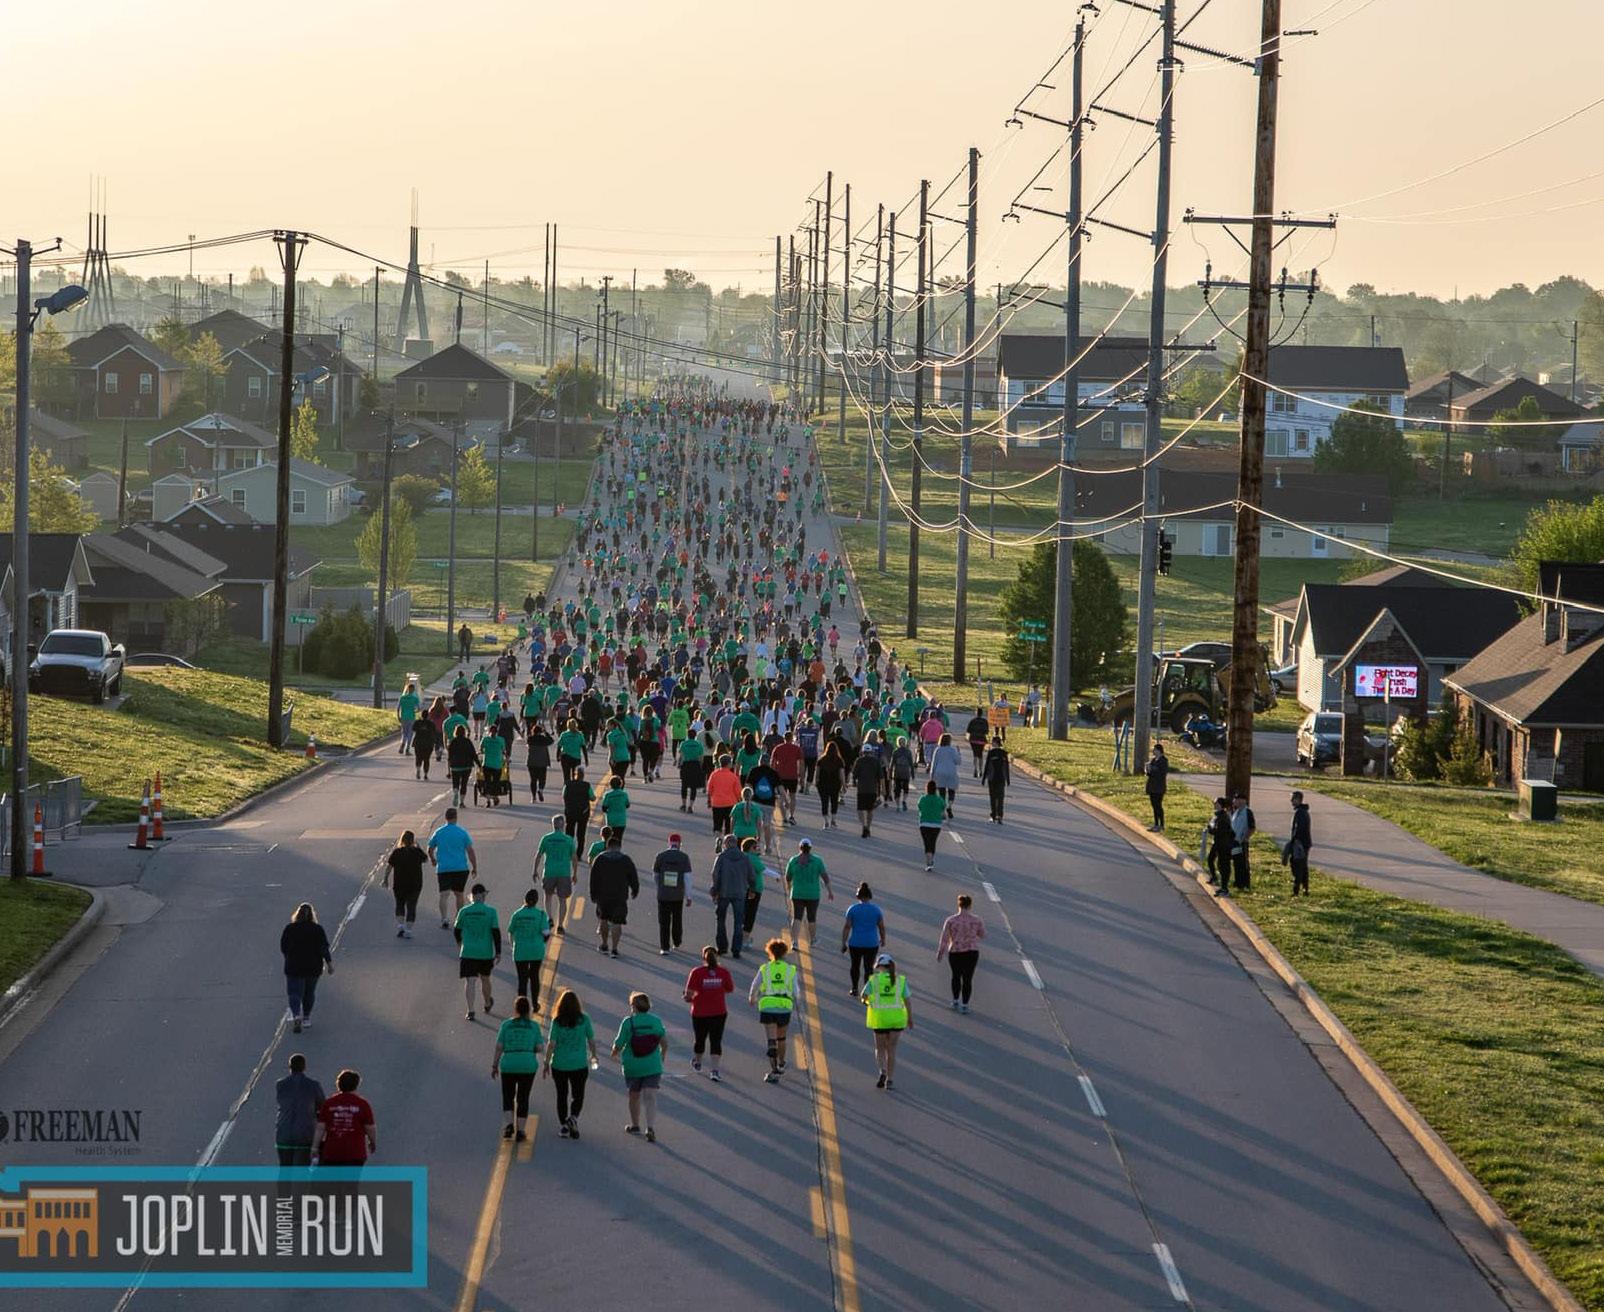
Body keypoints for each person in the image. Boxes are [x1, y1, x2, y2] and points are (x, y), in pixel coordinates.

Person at [612, 992, 668, 1142]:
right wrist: (662, 1056)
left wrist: (614, 1053)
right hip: (652, 1065)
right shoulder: (655, 1021)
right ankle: (650, 1127)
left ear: (634, 1006)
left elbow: (619, 1043)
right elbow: (664, 1042)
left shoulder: (628, 1022)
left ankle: (635, 1125)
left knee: (634, 1096)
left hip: (633, 1065)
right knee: (650, 1097)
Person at [544, 988, 597, 1140]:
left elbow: (551, 1044)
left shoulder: (557, 1021)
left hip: (559, 1064)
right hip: (579, 1064)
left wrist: (546, 1062)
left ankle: (564, 1124)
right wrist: (593, 1056)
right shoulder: (584, 1019)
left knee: (562, 1095)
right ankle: (573, 1118)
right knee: (578, 1095)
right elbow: (591, 1040)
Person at [492, 996, 543, 1142]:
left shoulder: (506, 1025)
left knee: (508, 1096)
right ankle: (521, 1130)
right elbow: (539, 1047)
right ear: (528, 1010)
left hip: (509, 1064)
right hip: (527, 1065)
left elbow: (499, 1047)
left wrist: (494, 1065)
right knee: (523, 1097)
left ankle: (509, 1125)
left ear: (515, 1009)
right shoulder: (534, 1026)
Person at [748, 938, 797, 1084]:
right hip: (784, 1006)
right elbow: (796, 990)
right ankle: (781, 1063)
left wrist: (752, 998)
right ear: (784, 953)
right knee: (781, 1037)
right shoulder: (790, 969)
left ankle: (774, 1070)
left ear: (770, 952)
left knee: (771, 1039)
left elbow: (755, 985)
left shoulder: (765, 968)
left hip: (768, 1006)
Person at [861, 953, 912, 1090]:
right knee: (891, 1050)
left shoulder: (874, 981)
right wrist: (910, 1018)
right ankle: (889, 1079)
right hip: (896, 1020)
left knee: (880, 1048)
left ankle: (882, 1071)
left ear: (879, 967)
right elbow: (907, 1001)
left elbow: (863, 996)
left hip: (880, 1020)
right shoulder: (900, 981)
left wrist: (868, 1002)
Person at [280, 902, 333, 1035]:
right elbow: (323, 948)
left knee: (294, 992)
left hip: (294, 966)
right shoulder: (317, 929)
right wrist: (329, 964)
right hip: (313, 967)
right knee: (309, 992)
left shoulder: (290, 929)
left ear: (297, 914)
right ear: (312, 915)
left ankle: (296, 1015)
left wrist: (289, 957)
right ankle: (306, 1018)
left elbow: (283, 947)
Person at [684, 946, 734, 1080]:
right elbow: (730, 988)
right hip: (719, 1011)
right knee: (716, 1040)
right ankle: (714, 1070)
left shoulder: (697, 972)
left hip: (700, 1012)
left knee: (700, 1038)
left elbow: (689, 993)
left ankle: (698, 1061)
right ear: (717, 956)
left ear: (703, 957)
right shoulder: (723, 972)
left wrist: (689, 998)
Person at [588, 829, 639, 958]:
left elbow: (593, 878)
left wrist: (593, 894)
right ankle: (615, 949)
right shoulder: (625, 860)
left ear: (607, 846)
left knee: (604, 919)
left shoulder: (600, 859)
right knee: (617, 922)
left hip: (603, 896)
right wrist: (635, 889)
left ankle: (604, 944)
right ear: (619, 847)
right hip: (620, 896)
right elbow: (633, 876)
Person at [454, 883, 501, 1021]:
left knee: (470, 981)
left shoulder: (464, 911)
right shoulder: (491, 911)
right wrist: (498, 951)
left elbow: (457, 930)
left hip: (468, 951)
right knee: (485, 978)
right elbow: (495, 932)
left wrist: (460, 943)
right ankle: (487, 1002)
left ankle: (470, 1010)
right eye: (484, 894)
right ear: (481, 895)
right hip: (485, 952)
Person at [313, 1068, 375, 1168]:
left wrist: (315, 1147)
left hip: (332, 1153)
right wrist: (372, 1142)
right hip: (355, 1154)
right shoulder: (362, 1104)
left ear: (339, 1084)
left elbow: (320, 1128)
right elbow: (370, 1128)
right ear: (356, 1085)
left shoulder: (329, 1104)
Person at [709, 833, 758, 958]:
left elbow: (715, 875)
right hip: (740, 893)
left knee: (721, 920)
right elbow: (752, 875)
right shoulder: (744, 858)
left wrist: (714, 891)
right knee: (738, 922)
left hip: (724, 892)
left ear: (726, 844)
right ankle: (736, 949)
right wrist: (752, 889)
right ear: (736, 844)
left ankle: (722, 947)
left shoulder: (721, 857)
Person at [427, 807, 477, 929]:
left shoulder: (439, 832)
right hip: (460, 867)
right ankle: (459, 919)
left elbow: (430, 848)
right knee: (459, 894)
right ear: (456, 817)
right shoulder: (462, 832)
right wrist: (474, 866)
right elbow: (470, 851)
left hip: (444, 868)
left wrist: (433, 859)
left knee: (444, 894)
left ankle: (444, 918)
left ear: (446, 817)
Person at [936, 893, 986, 1013]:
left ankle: (955, 1001)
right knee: (968, 978)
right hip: (971, 952)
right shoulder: (976, 920)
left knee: (956, 976)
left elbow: (944, 938)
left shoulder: (951, 920)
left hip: (955, 952)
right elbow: (982, 934)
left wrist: (940, 952)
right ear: (970, 906)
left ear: (959, 905)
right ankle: (965, 1005)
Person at [274, 1053, 325, 1167]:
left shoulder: (280, 1084)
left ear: (289, 1067)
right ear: (304, 1067)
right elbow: (322, 1106)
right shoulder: (313, 1085)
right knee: (302, 1169)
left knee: (284, 1169)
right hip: (305, 1134)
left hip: (284, 1133)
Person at [784, 838, 834, 949]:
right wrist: (830, 891)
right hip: (813, 894)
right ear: (810, 848)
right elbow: (825, 877)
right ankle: (813, 939)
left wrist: (789, 887)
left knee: (797, 917)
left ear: (800, 847)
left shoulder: (793, 860)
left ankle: (794, 942)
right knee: (811, 918)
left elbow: (788, 877)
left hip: (797, 893)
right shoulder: (817, 861)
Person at [534, 814, 578, 936]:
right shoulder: (568, 839)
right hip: (564, 872)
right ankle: (560, 925)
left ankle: (550, 917)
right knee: (562, 900)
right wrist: (575, 873)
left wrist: (535, 870)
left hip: (549, 872)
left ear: (553, 825)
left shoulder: (546, 838)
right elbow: (574, 858)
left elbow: (538, 855)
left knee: (548, 896)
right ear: (563, 825)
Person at [508, 889, 552, 1008]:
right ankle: (535, 1004)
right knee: (534, 977)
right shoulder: (541, 914)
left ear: (525, 900)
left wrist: (513, 946)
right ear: (536, 901)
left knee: (522, 979)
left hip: (520, 951)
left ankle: (522, 1006)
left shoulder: (517, 914)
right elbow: (546, 933)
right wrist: (542, 942)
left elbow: (510, 932)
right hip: (536, 951)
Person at [652, 832, 693, 955]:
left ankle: (664, 947)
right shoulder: (684, 857)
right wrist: (688, 896)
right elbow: (687, 878)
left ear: (669, 843)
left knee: (663, 921)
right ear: (680, 844)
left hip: (663, 894)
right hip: (677, 894)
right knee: (677, 919)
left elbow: (655, 875)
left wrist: (659, 887)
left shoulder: (660, 856)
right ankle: (677, 941)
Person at [840, 882, 885, 995]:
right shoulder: (876, 910)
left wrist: (843, 942)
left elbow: (847, 927)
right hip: (871, 943)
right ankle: (867, 991)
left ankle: (854, 988)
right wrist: (883, 939)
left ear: (858, 896)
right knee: (868, 968)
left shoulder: (852, 909)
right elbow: (881, 927)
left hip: (856, 943)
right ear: (870, 896)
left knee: (855, 966)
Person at [384, 829, 426, 938]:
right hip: (415, 884)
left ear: (402, 839)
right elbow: (425, 859)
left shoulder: (397, 852)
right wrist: (418, 847)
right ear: (413, 840)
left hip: (399, 884)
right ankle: (408, 930)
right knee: (411, 906)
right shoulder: (417, 852)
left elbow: (389, 867)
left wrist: (385, 879)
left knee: (399, 904)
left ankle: (400, 925)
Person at [851, 741, 883, 839]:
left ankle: (864, 826)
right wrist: (882, 790)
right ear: (871, 752)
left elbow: (854, 774)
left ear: (863, 751)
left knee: (860, 809)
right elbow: (880, 777)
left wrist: (854, 782)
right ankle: (868, 827)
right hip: (872, 789)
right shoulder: (876, 761)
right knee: (870, 810)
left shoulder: (859, 761)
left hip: (862, 789)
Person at [927, 733, 962, 820]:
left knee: (942, 793)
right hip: (951, 772)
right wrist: (959, 752)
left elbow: (934, 763)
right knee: (951, 791)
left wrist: (931, 775)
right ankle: (949, 806)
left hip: (939, 773)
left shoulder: (938, 750)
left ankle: (942, 812)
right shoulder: (953, 750)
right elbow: (958, 762)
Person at [1284, 790, 1313, 896]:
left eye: (1293, 799)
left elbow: (1298, 829)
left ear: (1299, 800)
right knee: (1303, 867)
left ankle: (1296, 890)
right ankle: (1305, 890)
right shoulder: (1303, 811)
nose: (1291, 801)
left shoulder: (1300, 813)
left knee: (1297, 867)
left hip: (1300, 844)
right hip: (1304, 843)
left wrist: (1293, 841)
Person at [562, 767, 595, 853]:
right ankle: (579, 853)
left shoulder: (568, 784)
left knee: (569, 832)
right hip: (583, 812)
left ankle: (569, 851)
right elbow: (592, 797)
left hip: (570, 811)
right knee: (581, 834)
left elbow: (564, 795)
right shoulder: (586, 785)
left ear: (574, 775)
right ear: (583, 775)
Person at [1227, 792, 1254, 894]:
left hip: (1242, 842)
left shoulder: (1247, 812)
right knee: (1236, 862)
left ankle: (1245, 883)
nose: (1234, 801)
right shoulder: (1236, 812)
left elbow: (1252, 827)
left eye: (1237, 799)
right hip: (1234, 842)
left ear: (1243, 800)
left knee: (1243, 863)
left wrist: (1245, 838)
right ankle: (1238, 882)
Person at [916, 780, 946, 873]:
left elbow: (919, 807)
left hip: (924, 824)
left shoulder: (922, 798)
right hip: (936, 824)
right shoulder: (939, 799)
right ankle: (931, 860)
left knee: (926, 842)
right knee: (933, 842)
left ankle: (928, 861)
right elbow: (943, 809)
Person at [447, 724, 480, 809]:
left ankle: (455, 792)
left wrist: (449, 770)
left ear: (456, 732)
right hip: (466, 766)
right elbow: (473, 754)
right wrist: (479, 765)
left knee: (455, 782)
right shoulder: (467, 741)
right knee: (464, 784)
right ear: (464, 732)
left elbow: (449, 757)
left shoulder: (453, 742)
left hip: (455, 766)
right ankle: (461, 802)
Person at [981, 735, 1011, 823]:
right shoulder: (1004, 753)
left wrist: (984, 778)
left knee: (993, 797)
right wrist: (1007, 779)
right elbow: (1006, 767)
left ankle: (993, 815)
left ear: (995, 743)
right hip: (1001, 777)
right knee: (1000, 797)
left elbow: (987, 766)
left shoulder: (991, 753)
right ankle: (1000, 815)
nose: (991, 743)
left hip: (992, 777)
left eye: (992, 742)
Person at [1204, 796, 1232, 887]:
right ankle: (1214, 877)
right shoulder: (1216, 815)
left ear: (1221, 805)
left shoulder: (1223, 817)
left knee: (1221, 863)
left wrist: (1210, 830)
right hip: (1216, 842)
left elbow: (1220, 831)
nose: (1215, 805)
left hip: (1222, 843)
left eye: (1216, 803)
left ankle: (1223, 884)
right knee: (1210, 859)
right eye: (1214, 803)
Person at [526, 722, 553, 803]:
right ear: (540, 731)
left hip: (532, 762)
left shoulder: (530, 739)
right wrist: (545, 732)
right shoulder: (544, 739)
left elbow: (528, 740)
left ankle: (533, 797)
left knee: (533, 780)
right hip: (542, 762)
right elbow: (551, 741)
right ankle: (540, 790)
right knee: (542, 779)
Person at [1144, 744, 1169, 833]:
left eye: (1154, 750)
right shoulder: (1153, 760)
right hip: (1152, 786)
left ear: (1159, 750)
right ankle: (1156, 824)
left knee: (1158, 806)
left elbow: (1162, 773)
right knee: (1154, 806)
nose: (1153, 751)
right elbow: (1150, 773)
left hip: (1159, 787)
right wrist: (1147, 769)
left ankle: (1161, 825)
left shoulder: (1163, 761)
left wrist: (1154, 769)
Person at [410, 712, 437, 781]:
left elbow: (413, 729)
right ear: (428, 716)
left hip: (418, 743)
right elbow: (434, 732)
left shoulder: (417, 722)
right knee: (426, 759)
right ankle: (425, 774)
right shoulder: (431, 724)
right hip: (428, 744)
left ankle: (418, 769)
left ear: (421, 715)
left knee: (418, 757)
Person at [397, 681, 421, 756]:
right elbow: (418, 708)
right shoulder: (415, 698)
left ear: (407, 689)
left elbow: (398, 708)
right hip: (411, 717)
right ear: (413, 690)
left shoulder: (402, 697)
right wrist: (415, 711)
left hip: (403, 717)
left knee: (404, 733)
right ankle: (407, 749)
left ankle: (403, 743)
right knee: (410, 733)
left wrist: (398, 716)